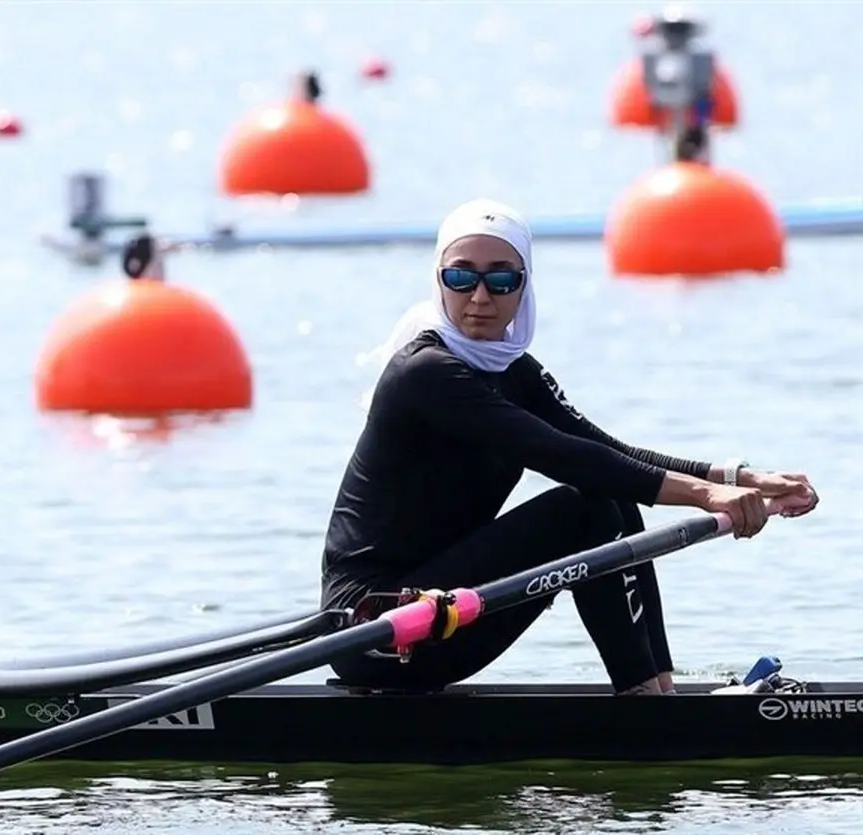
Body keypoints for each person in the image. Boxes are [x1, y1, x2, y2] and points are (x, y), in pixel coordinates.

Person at [319, 199, 819, 696]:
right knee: (584, 507)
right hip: (374, 628)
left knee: (611, 493)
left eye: (500, 280)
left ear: (523, 287)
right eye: (461, 278)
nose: (479, 296)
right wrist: (706, 498)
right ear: (438, 281)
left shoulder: (514, 372)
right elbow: (560, 454)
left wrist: (738, 478)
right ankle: (645, 702)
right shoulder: (425, 373)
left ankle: (657, 687)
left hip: (441, 612)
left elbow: (603, 450)